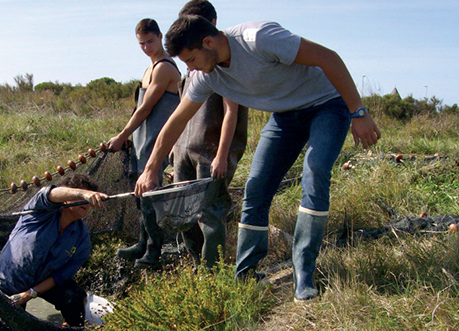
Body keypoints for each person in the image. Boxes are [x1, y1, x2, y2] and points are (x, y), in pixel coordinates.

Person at [135, 16, 381, 302]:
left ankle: (304, 273)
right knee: (256, 188)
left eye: (191, 59)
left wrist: (358, 112)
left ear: (208, 42)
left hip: (326, 105)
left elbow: (330, 59)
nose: (189, 68)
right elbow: (177, 120)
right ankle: (245, 276)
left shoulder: (258, 39)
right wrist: (151, 168)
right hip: (286, 117)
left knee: (314, 176)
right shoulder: (205, 75)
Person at [173, 0, 248, 270]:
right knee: (183, 215)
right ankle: (198, 268)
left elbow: (232, 112)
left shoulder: (222, 63)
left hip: (211, 154)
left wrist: (221, 155)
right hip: (185, 152)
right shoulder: (190, 67)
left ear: (211, 25)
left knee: (210, 215)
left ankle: (212, 275)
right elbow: (181, 117)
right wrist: (174, 153)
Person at [106, 18, 181, 269]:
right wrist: (129, 137)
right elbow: (139, 106)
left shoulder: (165, 68)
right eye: (141, 43)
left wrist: (122, 134)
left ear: (160, 37)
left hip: (157, 139)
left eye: (150, 41)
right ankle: (142, 242)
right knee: (139, 194)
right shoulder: (148, 70)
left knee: (150, 194)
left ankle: (153, 251)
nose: (147, 47)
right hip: (141, 140)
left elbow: (147, 108)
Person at [0, 173, 108, 327]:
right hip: (9, 282)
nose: (86, 201)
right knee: (8, 323)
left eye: (89, 199)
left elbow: (60, 276)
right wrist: (83, 193)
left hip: (41, 282)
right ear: (65, 198)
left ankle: (74, 327)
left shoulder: (82, 239)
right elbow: (51, 193)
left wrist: (30, 293)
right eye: (80, 195)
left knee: (74, 296)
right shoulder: (39, 212)